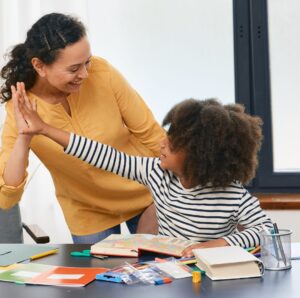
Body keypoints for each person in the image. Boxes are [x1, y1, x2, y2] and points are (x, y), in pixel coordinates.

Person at [15, 93, 273, 256]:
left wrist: (215, 245)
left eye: (172, 143)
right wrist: (45, 129)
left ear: (199, 155)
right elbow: (103, 154)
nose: (162, 143)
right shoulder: (156, 174)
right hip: (170, 275)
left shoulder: (232, 193)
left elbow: (265, 230)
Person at [0, 13, 165, 243]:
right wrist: (24, 137)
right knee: (98, 279)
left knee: (163, 272)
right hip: (88, 211)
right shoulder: (21, 106)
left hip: (145, 193)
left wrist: (177, 191)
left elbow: (152, 135)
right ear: (39, 66)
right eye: (74, 68)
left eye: (87, 62)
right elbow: (8, 196)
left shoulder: (102, 73)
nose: (85, 74)